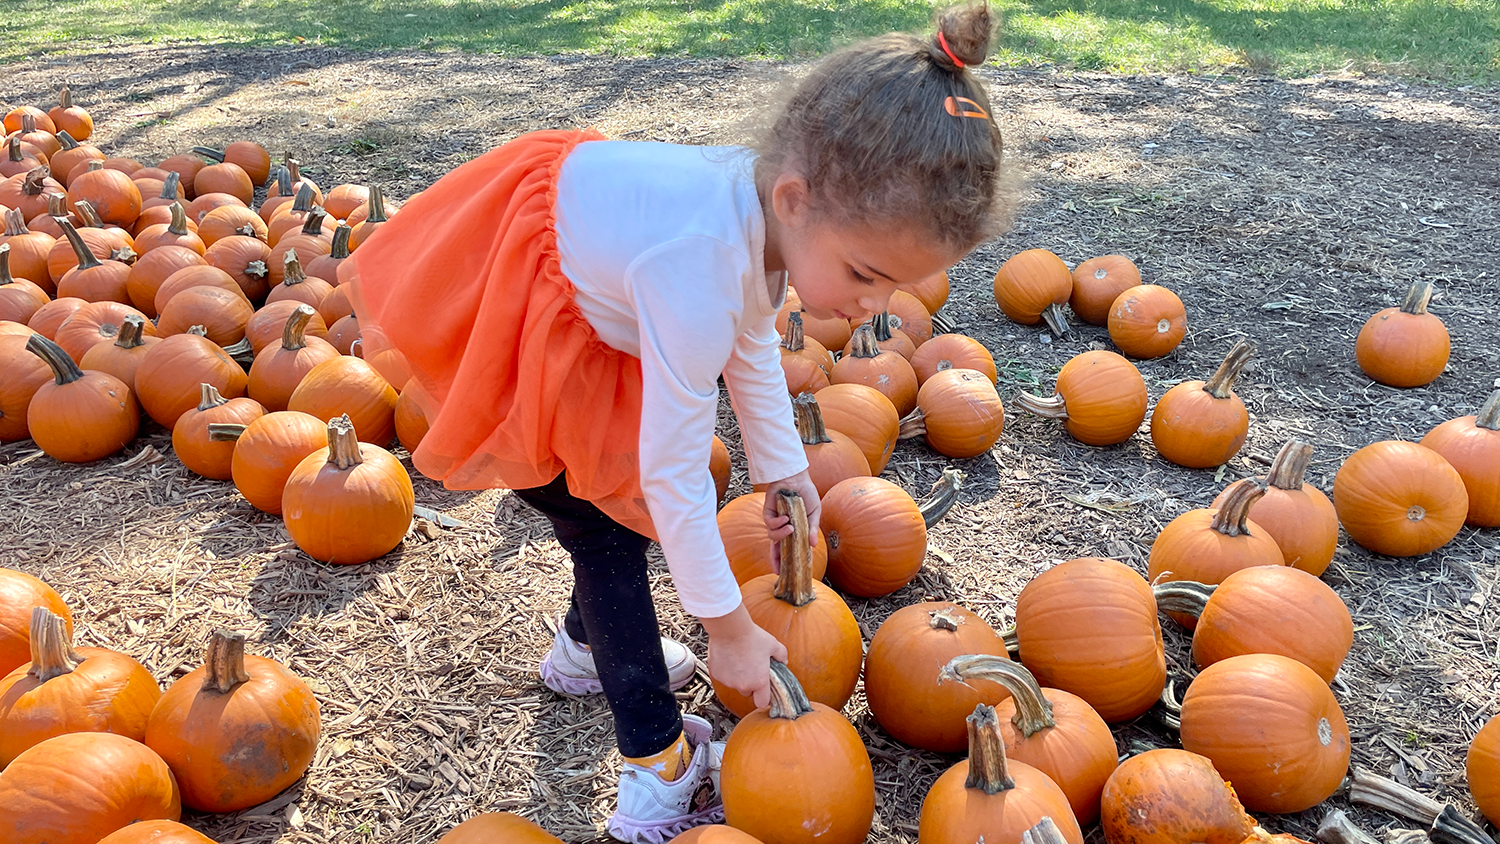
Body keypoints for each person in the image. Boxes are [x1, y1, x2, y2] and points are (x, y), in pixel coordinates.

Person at [341, 2, 1009, 839]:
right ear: (797, 200)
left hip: (597, 282)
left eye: (892, 291)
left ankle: (584, 653)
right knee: (608, 525)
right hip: (514, 308)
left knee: (606, 511)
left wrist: (781, 469)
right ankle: (655, 768)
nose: (871, 304)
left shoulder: (763, 210)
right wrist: (726, 627)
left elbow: (752, 341)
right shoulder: (698, 262)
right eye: (865, 274)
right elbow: (673, 473)